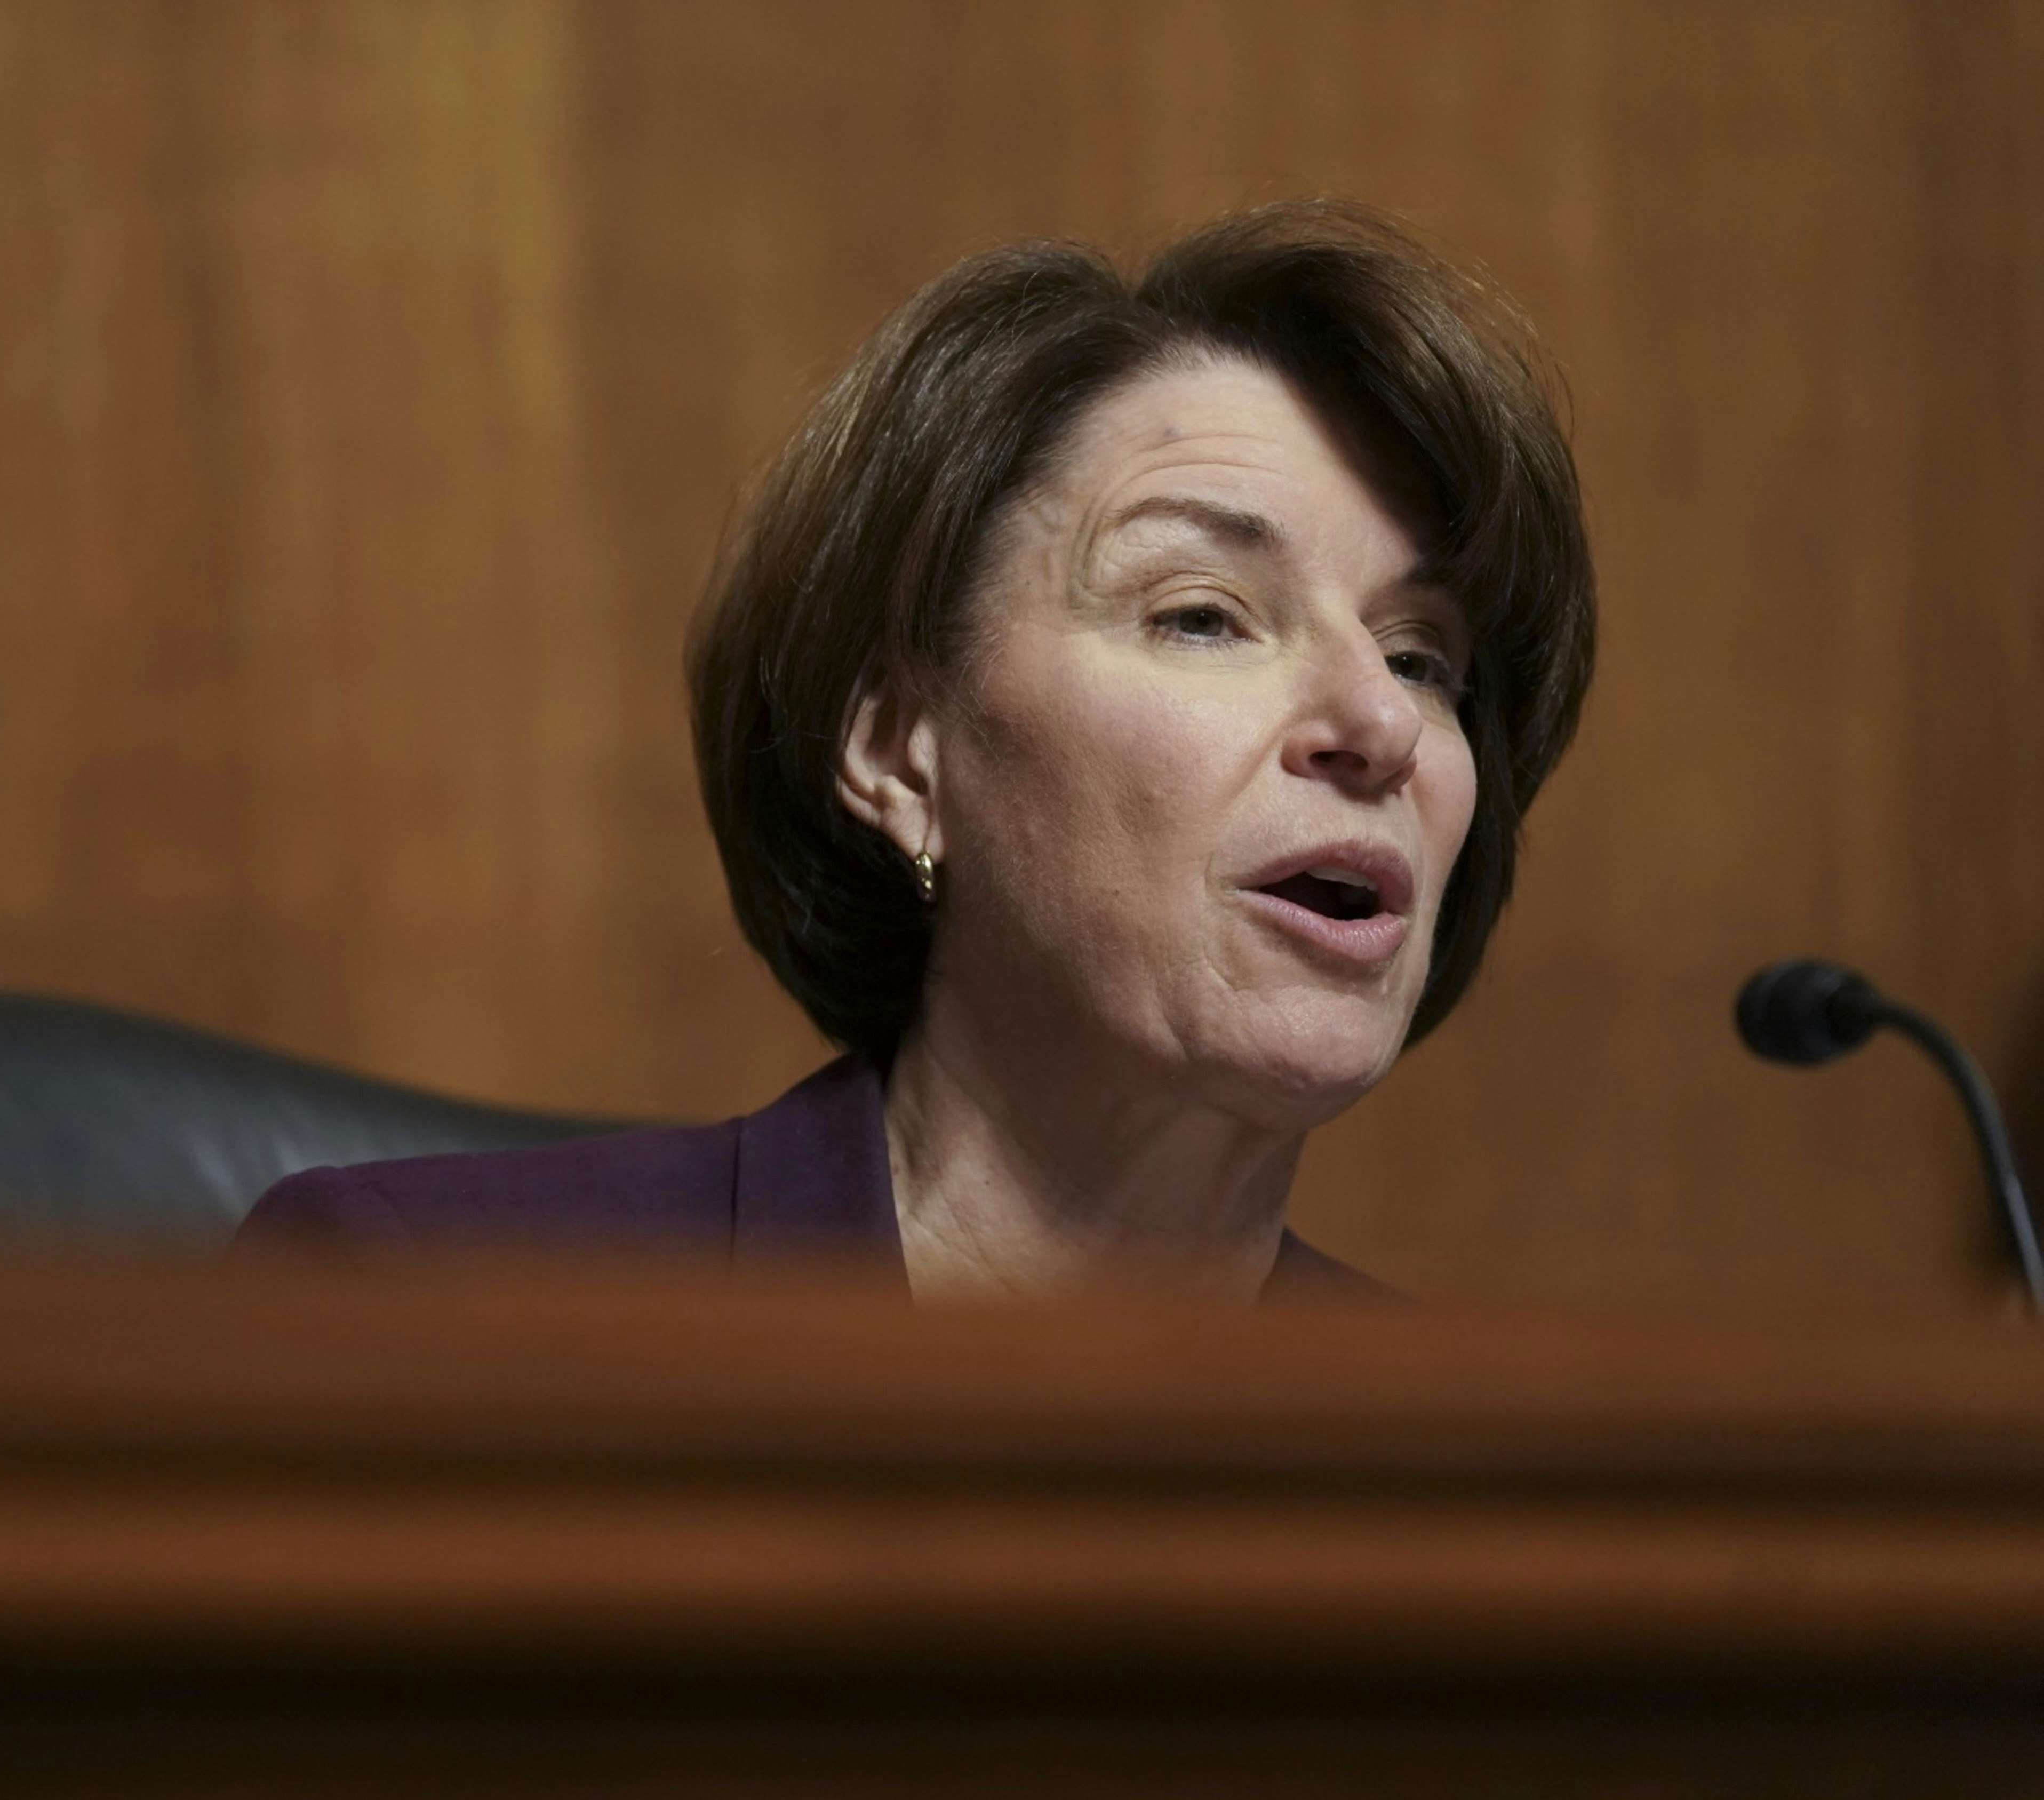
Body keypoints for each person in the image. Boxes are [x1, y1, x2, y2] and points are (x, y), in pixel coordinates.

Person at [237, 201, 1597, 1301]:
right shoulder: (432, 1311)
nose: (1378, 725)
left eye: (1425, 658)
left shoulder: (1497, 1486)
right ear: (898, 754)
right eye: (1203, 617)